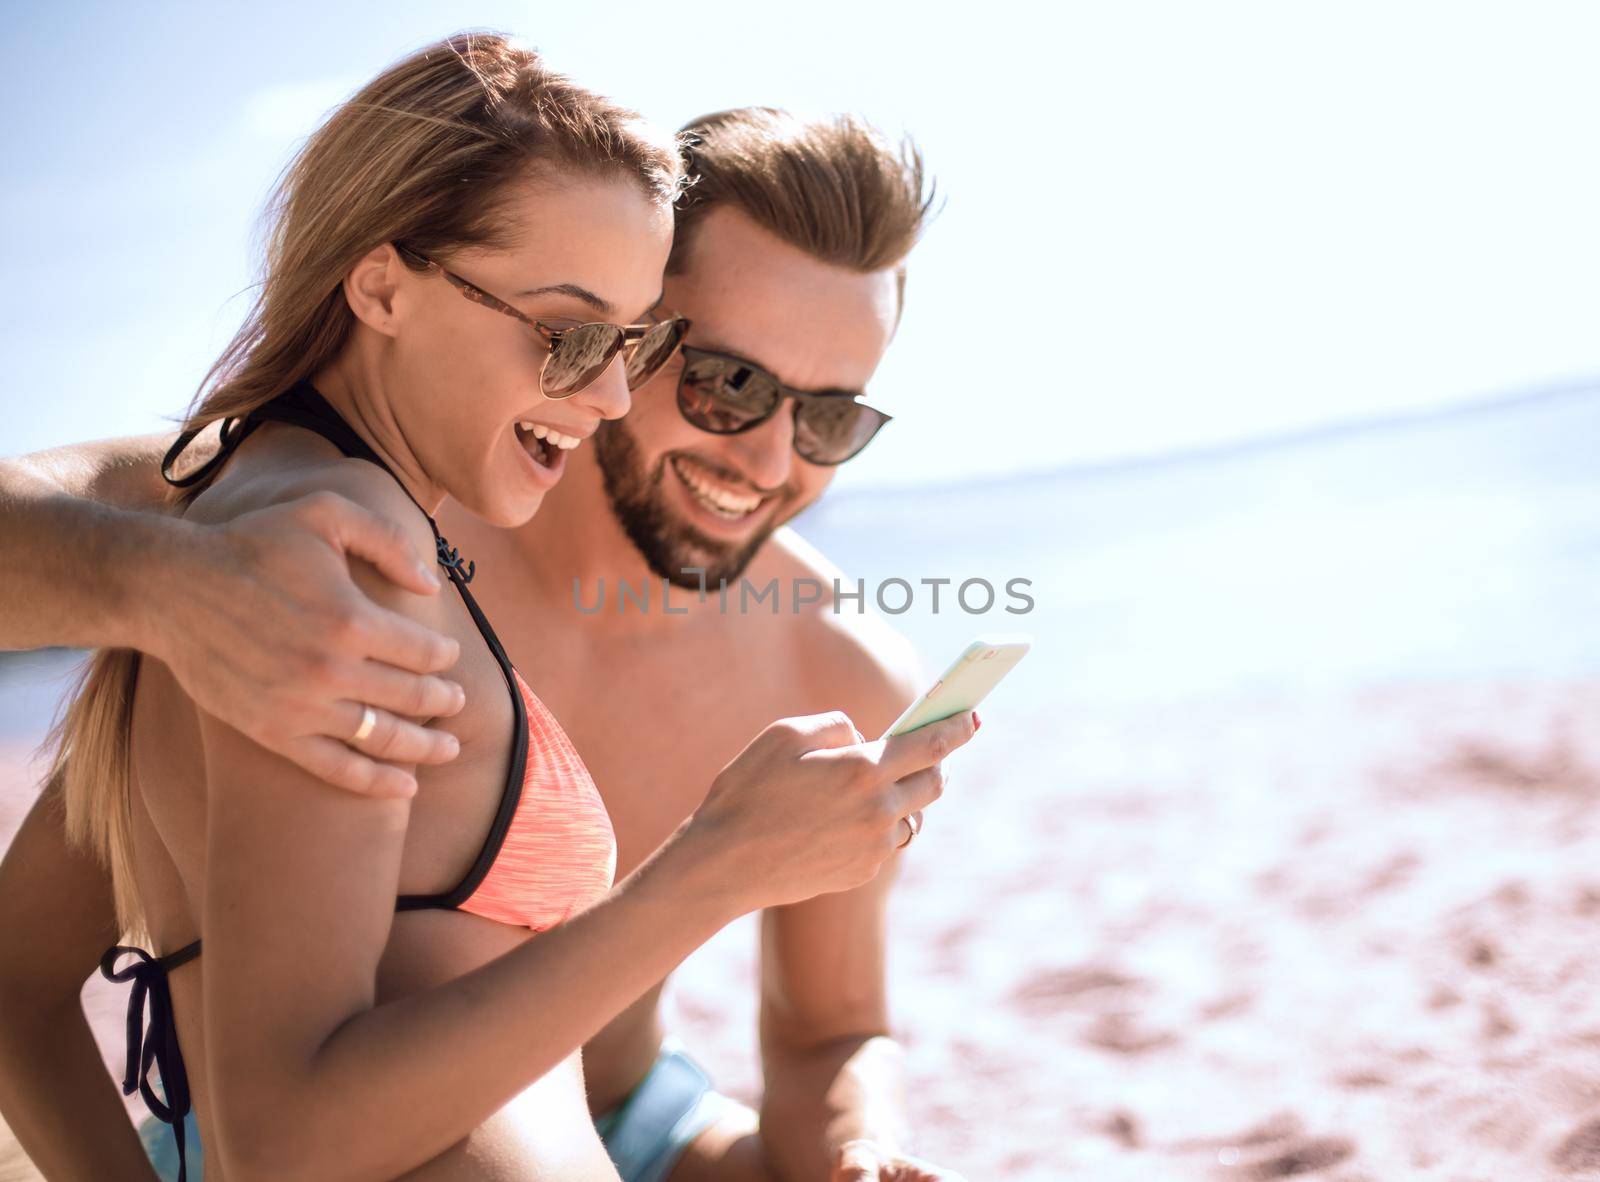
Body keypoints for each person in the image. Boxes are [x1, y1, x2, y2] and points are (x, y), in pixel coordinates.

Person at [0, 35, 970, 1182]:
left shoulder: (839, 664)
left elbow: (824, 1031)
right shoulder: (326, 543)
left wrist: (863, 1142)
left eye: (829, 420)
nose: (766, 459)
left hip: (641, 1119)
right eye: (726, 382)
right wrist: (162, 587)